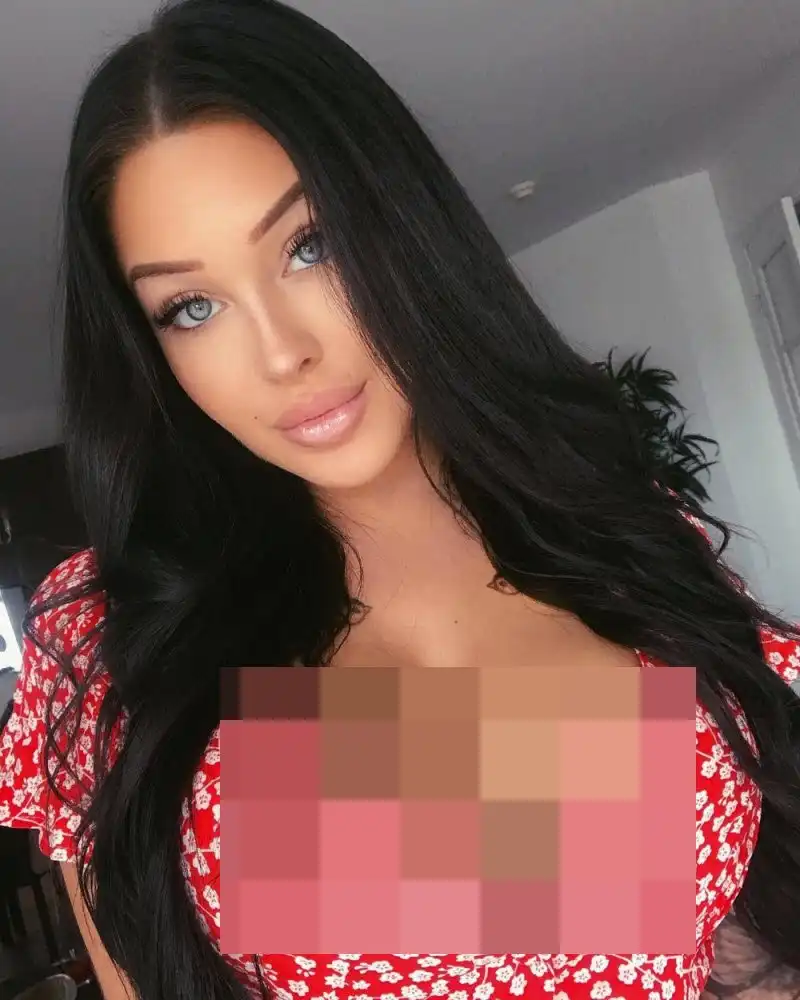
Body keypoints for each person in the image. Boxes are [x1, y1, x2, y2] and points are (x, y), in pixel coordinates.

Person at [1, 1, 799, 997]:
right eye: (191, 306)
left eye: (310, 246)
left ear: (404, 228)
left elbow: (702, 931)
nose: (281, 353)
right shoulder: (115, 642)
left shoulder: (624, 536)